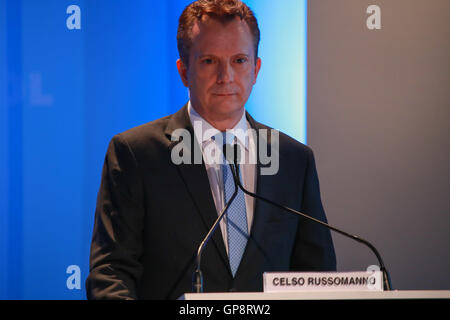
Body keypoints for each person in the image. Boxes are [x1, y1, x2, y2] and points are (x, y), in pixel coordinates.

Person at [86, 0, 336, 300]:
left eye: (239, 60)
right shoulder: (136, 154)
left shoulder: (294, 160)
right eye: (209, 61)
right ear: (183, 71)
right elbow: (111, 274)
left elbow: (318, 277)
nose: (226, 76)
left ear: (256, 69)